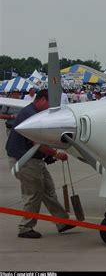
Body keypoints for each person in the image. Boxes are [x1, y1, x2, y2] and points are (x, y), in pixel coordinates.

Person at [5, 89, 76, 239]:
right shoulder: (30, 115)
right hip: (25, 161)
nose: (51, 108)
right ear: (43, 100)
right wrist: (56, 154)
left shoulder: (34, 112)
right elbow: (37, 143)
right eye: (51, 103)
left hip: (35, 160)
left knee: (48, 189)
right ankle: (25, 227)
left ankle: (61, 221)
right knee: (34, 193)